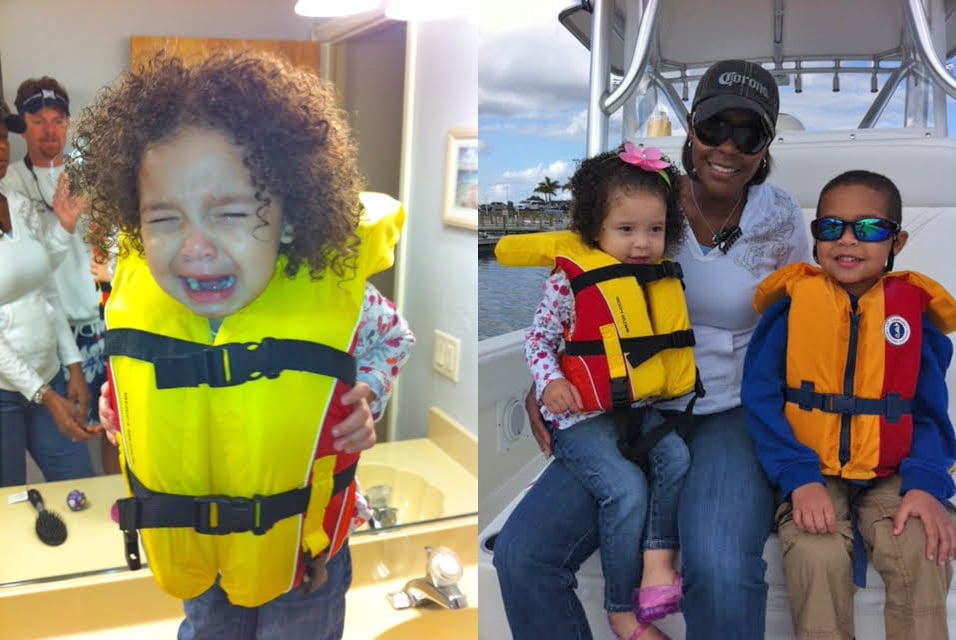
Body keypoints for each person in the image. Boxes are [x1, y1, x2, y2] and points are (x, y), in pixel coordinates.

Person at [72, 50, 415, 640]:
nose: (195, 247)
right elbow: (127, 386)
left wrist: (367, 396)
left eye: (230, 213)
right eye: (163, 220)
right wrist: (115, 407)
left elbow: (393, 339)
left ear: (289, 217)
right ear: (135, 222)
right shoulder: (138, 301)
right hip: (195, 551)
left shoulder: (336, 301)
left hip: (303, 556)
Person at [493, 59, 811, 640]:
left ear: (767, 144)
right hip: (619, 408)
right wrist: (546, 381)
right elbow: (576, 304)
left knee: (718, 564)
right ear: (692, 126)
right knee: (523, 555)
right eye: (716, 126)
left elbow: (802, 319)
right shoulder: (640, 199)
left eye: (750, 134)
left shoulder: (782, 217)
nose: (729, 147)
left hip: (726, 411)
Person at [742, 169, 956, 640]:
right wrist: (799, 479)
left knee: (921, 544)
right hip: (812, 470)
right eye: (831, 227)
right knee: (815, 552)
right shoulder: (790, 311)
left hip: (892, 473)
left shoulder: (913, 318)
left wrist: (926, 485)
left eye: (870, 229)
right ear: (816, 236)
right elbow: (760, 404)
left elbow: (931, 415)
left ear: (896, 241)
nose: (848, 241)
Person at [497, 145, 690, 640]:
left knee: (676, 458)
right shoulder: (569, 279)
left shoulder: (655, 277)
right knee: (624, 489)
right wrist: (550, 382)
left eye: (655, 230)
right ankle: (622, 610)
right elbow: (539, 337)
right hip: (579, 419)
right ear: (594, 230)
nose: (643, 244)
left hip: (635, 410)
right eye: (626, 230)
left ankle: (656, 565)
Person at [2, 77, 107, 473]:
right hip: (39, 344)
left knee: (111, 433)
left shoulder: (91, 175)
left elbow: (112, 239)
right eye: (39, 120)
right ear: (23, 125)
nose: (50, 129)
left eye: (58, 119)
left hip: (94, 327)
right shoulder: (12, 181)